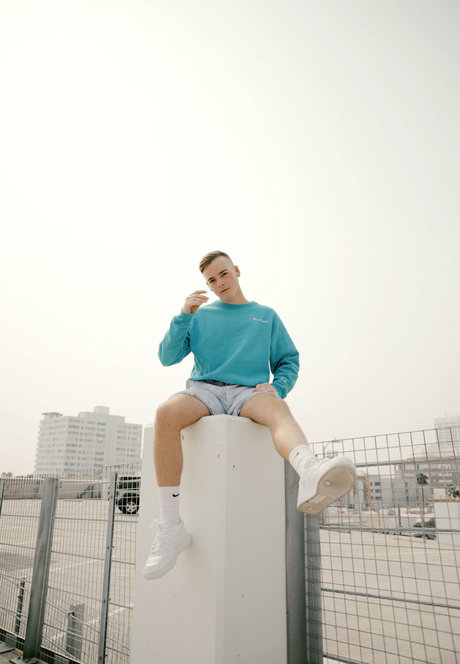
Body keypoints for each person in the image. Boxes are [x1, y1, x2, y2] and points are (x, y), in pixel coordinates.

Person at [143, 250, 356, 580]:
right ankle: (171, 525)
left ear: (237, 271)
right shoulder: (199, 316)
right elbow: (166, 357)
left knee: (278, 408)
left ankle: (309, 471)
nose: (219, 283)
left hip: (248, 392)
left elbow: (288, 360)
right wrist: (183, 316)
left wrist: (278, 386)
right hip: (205, 390)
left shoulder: (265, 315)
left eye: (224, 274)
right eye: (211, 280)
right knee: (165, 413)